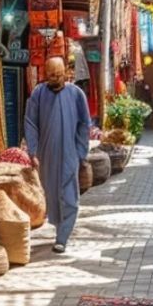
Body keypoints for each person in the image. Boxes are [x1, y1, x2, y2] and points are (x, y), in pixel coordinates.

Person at [23, 57, 90, 254]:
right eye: (51, 75)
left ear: (65, 72)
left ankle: (63, 236)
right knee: (52, 194)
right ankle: (59, 229)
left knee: (69, 197)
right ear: (45, 74)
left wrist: (80, 151)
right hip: (46, 155)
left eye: (58, 74)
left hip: (69, 153)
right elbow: (31, 122)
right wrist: (32, 151)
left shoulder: (76, 94)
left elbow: (84, 124)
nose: (55, 78)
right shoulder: (38, 94)